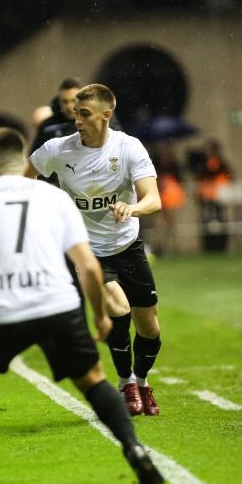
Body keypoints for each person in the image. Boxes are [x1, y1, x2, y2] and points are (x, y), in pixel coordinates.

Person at [0, 127, 164, 484]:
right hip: (58, 307)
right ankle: (136, 453)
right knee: (94, 380)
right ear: (23, 161)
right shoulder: (56, 199)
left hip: (2, 313)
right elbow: (89, 264)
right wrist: (99, 315)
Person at [25, 84, 164, 417]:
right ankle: (126, 382)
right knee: (117, 308)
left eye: (84, 114)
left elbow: (153, 199)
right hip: (86, 251)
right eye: (75, 113)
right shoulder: (57, 149)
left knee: (150, 329)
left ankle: (142, 383)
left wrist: (132, 209)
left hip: (127, 246)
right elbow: (24, 180)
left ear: (106, 115)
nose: (77, 121)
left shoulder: (129, 148)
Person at [29, 77, 83, 186]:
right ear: (59, 101)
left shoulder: (97, 122)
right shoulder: (47, 126)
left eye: (73, 100)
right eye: (65, 101)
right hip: (56, 188)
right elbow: (33, 160)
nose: (69, 106)